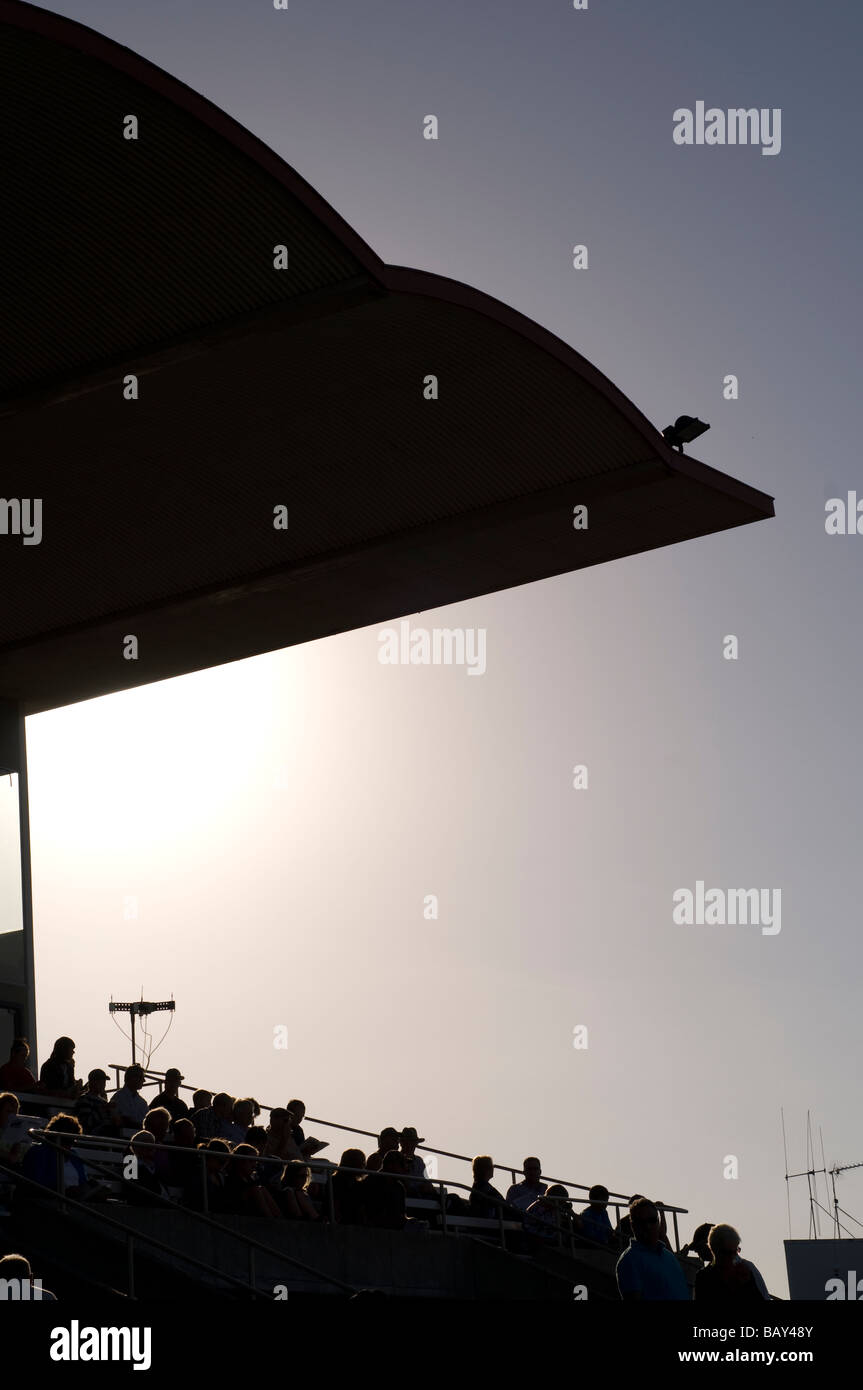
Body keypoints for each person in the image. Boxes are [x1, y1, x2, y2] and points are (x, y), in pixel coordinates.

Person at [616, 1198, 691, 1301]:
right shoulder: (629, 1261)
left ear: (658, 1222)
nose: (648, 1226)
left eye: (652, 1220)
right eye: (641, 1222)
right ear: (633, 1225)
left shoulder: (669, 1256)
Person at [20, 1113, 91, 1197]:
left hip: (75, 1201)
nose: (70, 1144)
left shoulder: (73, 1155)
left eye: (73, 1141)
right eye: (67, 1141)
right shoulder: (39, 1152)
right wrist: (65, 1192)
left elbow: (83, 1181)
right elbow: (35, 1185)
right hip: (51, 1201)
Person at [694, 1224, 769, 1302]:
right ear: (715, 1250)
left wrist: (747, 1285)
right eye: (728, 1253)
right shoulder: (704, 1278)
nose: (733, 1256)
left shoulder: (745, 1270)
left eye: (736, 1251)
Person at [224, 1144, 282, 1218]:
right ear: (240, 1161)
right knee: (256, 1190)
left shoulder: (250, 1180)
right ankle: (273, 1222)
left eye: (255, 1162)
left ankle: (280, 1221)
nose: (254, 1165)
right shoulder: (231, 1179)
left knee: (262, 1189)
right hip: (238, 1213)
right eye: (251, 1161)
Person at [469, 1155, 524, 1223]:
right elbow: (501, 1204)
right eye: (491, 1166)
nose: (493, 1168)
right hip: (492, 1222)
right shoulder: (484, 1188)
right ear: (486, 1169)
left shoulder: (479, 1186)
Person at [361, 1151, 408, 1230]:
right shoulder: (370, 1182)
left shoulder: (399, 1187)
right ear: (391, 1165)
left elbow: (401, 1215)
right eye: (402, 1165)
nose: (406, 1169)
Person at [182, 1138, 231, 1213]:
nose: (223, 1166)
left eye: (225, 1163)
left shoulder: (219, 1176)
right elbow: (194, 1199)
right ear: (211, 1157)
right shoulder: (197, 1173)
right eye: (221, 1162)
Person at [124, 1131, 169, 1208]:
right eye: (147, 1144)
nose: (152, 1147)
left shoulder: (155, 1166)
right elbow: (131, 1191)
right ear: (138, 1147)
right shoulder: (131, 1164)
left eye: (152, 1143)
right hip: (145, 1206)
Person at [74, 1069, 118, 1136]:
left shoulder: (103, 1102)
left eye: (104, 1082)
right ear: (92, 1082)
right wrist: (103, 1109)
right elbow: (86, 1123)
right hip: (90, 1137)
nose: (103, 1084)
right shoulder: (84, 1099)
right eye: (100, 1081)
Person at [332, 1148, 367, 1225]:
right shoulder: (336, 1180)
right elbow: (335, 1202)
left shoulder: (359, 1184)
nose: (364, 1165)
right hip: (342, 1222)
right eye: (362, 1162)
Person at [399, 1127, 436, 1197]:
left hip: (423, 1194)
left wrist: (428, 1187)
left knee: (454, 1198)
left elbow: (426, 1181)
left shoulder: (419, 1161)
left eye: (413, 1142)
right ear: (401, 1143)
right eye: (408, 1141)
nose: (411, 1144)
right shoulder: (396, 1158)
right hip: (407, 1193)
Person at [109, 1065, 148, 1129]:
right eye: (141, 1077)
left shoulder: (142, 1102)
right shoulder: (118, 1098)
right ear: (131, 1078)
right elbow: (121, 1121)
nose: (144, 1080)